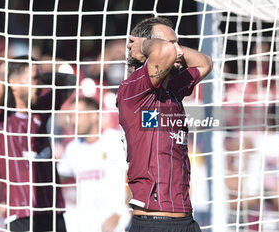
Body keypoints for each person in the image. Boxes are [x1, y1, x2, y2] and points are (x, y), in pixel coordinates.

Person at [116, 17, 213, 232]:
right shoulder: (134, 90)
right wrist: (142, 45)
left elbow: (205, 62)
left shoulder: (174, 89)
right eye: (169, 43)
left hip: (186, 220)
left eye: (177, 43)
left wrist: (171, 47)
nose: (177, 50)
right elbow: (165, 54)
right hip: (154, 222)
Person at [0, 56, 76, 231]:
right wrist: (4, 74)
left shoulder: (41, 110)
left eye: (40, 80)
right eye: (34, 79)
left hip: (53, 208)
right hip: (21, 212)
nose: (39, 85)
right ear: (13, 82)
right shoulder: (2, 118)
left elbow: (69, 81)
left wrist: (40, 74)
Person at [57, 97, 131, 232]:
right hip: (85, 225)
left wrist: (120, 213)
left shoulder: (116, 140)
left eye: (78, 115)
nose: (73, 121)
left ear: (94, 116)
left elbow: (139, 180)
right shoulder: (72, 149)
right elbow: (55, 177)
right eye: (70, 116)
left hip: (118, 223)